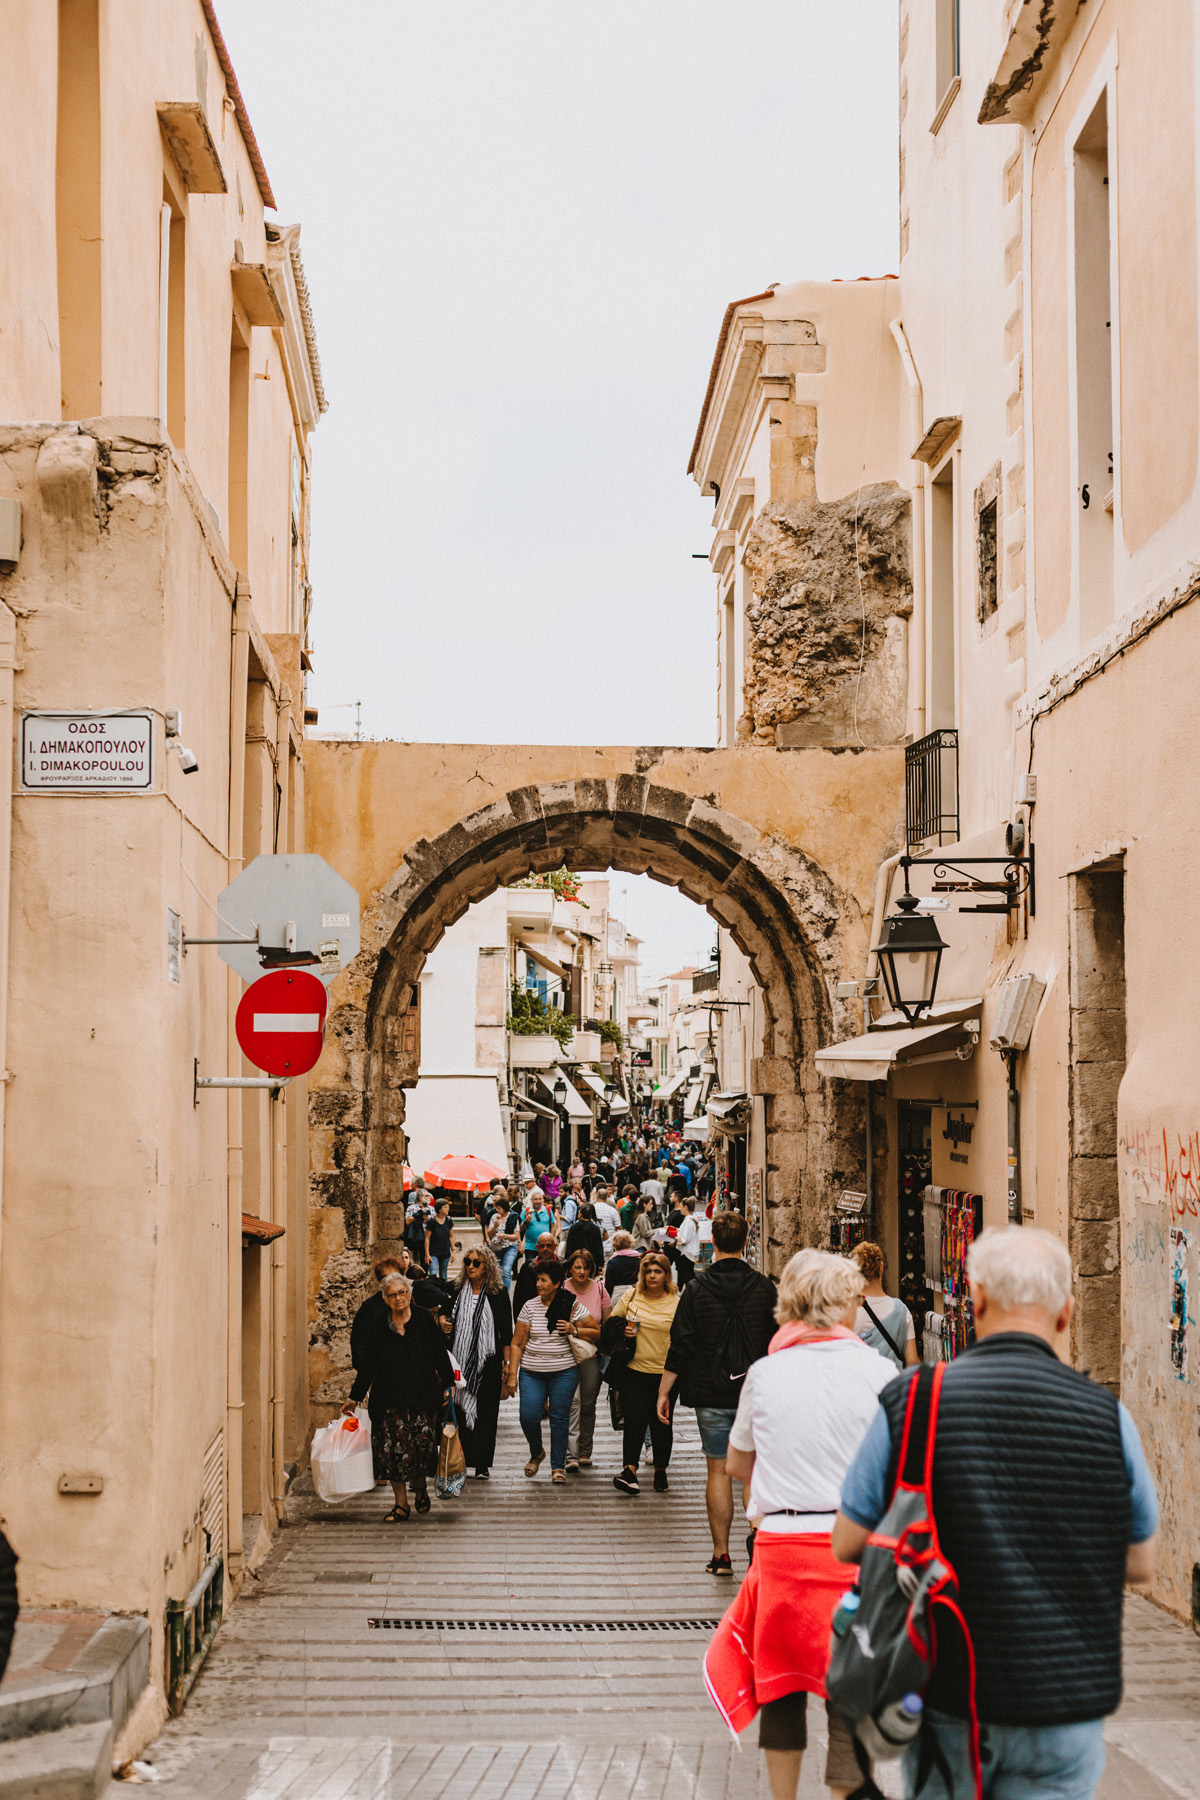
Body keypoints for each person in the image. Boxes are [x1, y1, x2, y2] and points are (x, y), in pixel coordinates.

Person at [832, 1227, 1160, 1800]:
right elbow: (1140, 1561)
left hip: (952, 1695)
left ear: (976, 1302)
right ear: (1066, 1312)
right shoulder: (1108, 1418)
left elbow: (848, 1540)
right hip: (1068, 1701)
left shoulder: (915, 1401)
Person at [704, 1249, 895, 1800]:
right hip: (854, 1550)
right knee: (849, 1690)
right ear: (842, 1305)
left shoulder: (765, 1373)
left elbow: (738, 1462)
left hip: (783, 1550)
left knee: (781, 1687)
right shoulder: (882, 1374)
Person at [659, 1208, 777, 1577]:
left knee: (717, 1471)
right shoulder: (764, 1288)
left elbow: (681, 1343)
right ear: (745, 1241)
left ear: (713, 1242)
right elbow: (777, 1342)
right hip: (753, 1393)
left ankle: (721, 1555)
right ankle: (757, 1541)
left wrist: (665, 1391)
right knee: (752, 1471)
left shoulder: (695, 1289)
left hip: (710, 1392)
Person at [345, 1272, 454, 1520]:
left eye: (402, 1292)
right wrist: (355, 1396)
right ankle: (401, 1505)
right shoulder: (378, 1325)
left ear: (409, 1294)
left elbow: (439, 1352)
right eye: (392, 1295)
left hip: (422, 1397)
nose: (398, 1298)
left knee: (420, 1449)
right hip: (389, 1400)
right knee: (392, 1452)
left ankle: (420, 1489)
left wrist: (448, 1383)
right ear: (385, 1298)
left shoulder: (424, 1319)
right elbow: (369, 1366)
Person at [505, 1259, 596, 1482]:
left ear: (556, 1284)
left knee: (559, 1419)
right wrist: (512, 1375)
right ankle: (537, 1452)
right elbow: (517, 1343)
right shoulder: (529, 1306)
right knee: (528, 1416)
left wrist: (575, 1329)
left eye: (543, 1280)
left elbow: (596, 1331)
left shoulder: (572, 1305)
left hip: (563, 1371)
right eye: (538, 1279)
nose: (538, 1284)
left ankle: (558, 1467)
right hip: (531, 1372)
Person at [606, 1251, 680, 1495]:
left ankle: (661, 1469)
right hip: (634, 1370)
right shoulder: (632, 1295)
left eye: (657, 1271)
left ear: (666, 1274)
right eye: (647, 1271)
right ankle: (630, 1471)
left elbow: (683, 1336)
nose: (652, 1276)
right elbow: (610, 1325)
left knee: (661, 1422)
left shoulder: (675, 1301)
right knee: (634, 1421)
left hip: (665, 1373)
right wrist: (623, 1331)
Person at [449, 1244, 513, 1480]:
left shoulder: (498, 1294)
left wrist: (508, 1366)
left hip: (488, 1361)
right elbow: (446, 1317)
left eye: (477, 1263)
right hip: (459, 1360)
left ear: (487, 1266)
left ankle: (482, 1464)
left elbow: (506, 1332)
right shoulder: (456, 1290)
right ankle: (462, 1460)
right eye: (467, 1262)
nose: (471, 1266)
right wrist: (445, 1322)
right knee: (459, 1410)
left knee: (486, 1413)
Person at [563, 1247, 611, 1471]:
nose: (582, 1272)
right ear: (570, 1268)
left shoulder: (600, 1290)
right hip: (565, 1353)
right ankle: (570, 1454)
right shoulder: (562, 1289)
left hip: (592, 1353)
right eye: (577, 1267)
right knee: (572, 1402)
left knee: (588, 1402)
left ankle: (585, 1451)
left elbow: (608, 1324)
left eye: (586, 1267)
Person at [849, 1239, 918, 1369]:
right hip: (893, 1385)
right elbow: (912, 1363)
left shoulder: (848, 1311)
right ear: (881, 1267)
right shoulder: (901, 1310)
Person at [512, 1232, 559, 1317]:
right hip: (533, 1315)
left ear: (555, 1246)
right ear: (537, 1247)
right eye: (542, 1246)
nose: (545, 1249)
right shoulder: (528, 1267)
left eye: (549, 1246)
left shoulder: (564, 1265)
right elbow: (519, 1299)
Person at [486, 1195, 522, 1290]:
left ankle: (505, 1292)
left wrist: (505, 1235)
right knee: (496, 1271)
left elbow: (516, 1236)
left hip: (510, 1247)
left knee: (506, 1270)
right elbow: (489, 1234)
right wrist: (494, 1227)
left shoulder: (513, 1217)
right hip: (496, 1247)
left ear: (504, 1208)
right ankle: (497, 1290)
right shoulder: (494, 1217)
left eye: (499, 1208)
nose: (497, 1210)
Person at [564, 1202, 604, 1273]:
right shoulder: (596, 1229)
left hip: (576, 1262)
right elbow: (599, 1249)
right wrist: (600, 1266)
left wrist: (568, 1264)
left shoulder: (574, 1228)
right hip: (592, 1262)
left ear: (580, 1214)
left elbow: (569, 1247)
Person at [521, 1185, 555, 1260]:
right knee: (530, 1267)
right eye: (535, 1199)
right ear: (531, 1200)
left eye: (539, 1199)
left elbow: (553, 1225)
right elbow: (520, 1229)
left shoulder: (548, 1210)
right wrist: (526, 1222)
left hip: (545, 1247)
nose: (538, 1201)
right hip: (530, 1246)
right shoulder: (526, 1211)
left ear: (542, 1200)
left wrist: (552, 1238)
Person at [604, 1230, 642, 1297]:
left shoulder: (612, 1262)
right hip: (635, 1293)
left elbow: (608, 1284)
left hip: (618, 1294)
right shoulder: (638, 1259)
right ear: (630, 1242)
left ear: (615, 1244)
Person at [425, 1199, 455, 1282]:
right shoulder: (432, 1221)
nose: (447, 1209)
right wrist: (427, 1254)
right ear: (439, 1209)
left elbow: (451, 1237)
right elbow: (427, 1238)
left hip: (445, 1252)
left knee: (443, 1276)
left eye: (448, 1207)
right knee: (433, 1273)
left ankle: (444, 1293)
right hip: (433, 1252)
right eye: (445, 1207)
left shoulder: (449, 1220)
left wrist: (453, 1251)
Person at [675, 1196, 701, 1285]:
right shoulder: (690, 1219)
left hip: (687, 1252)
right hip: (688, 1252)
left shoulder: (689, 1221)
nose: (680, 1209)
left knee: (687, 1276)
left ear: (685, 1207)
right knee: (686, 1275)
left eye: (681, 1206)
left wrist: (674, 1237)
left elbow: (685, 1239)